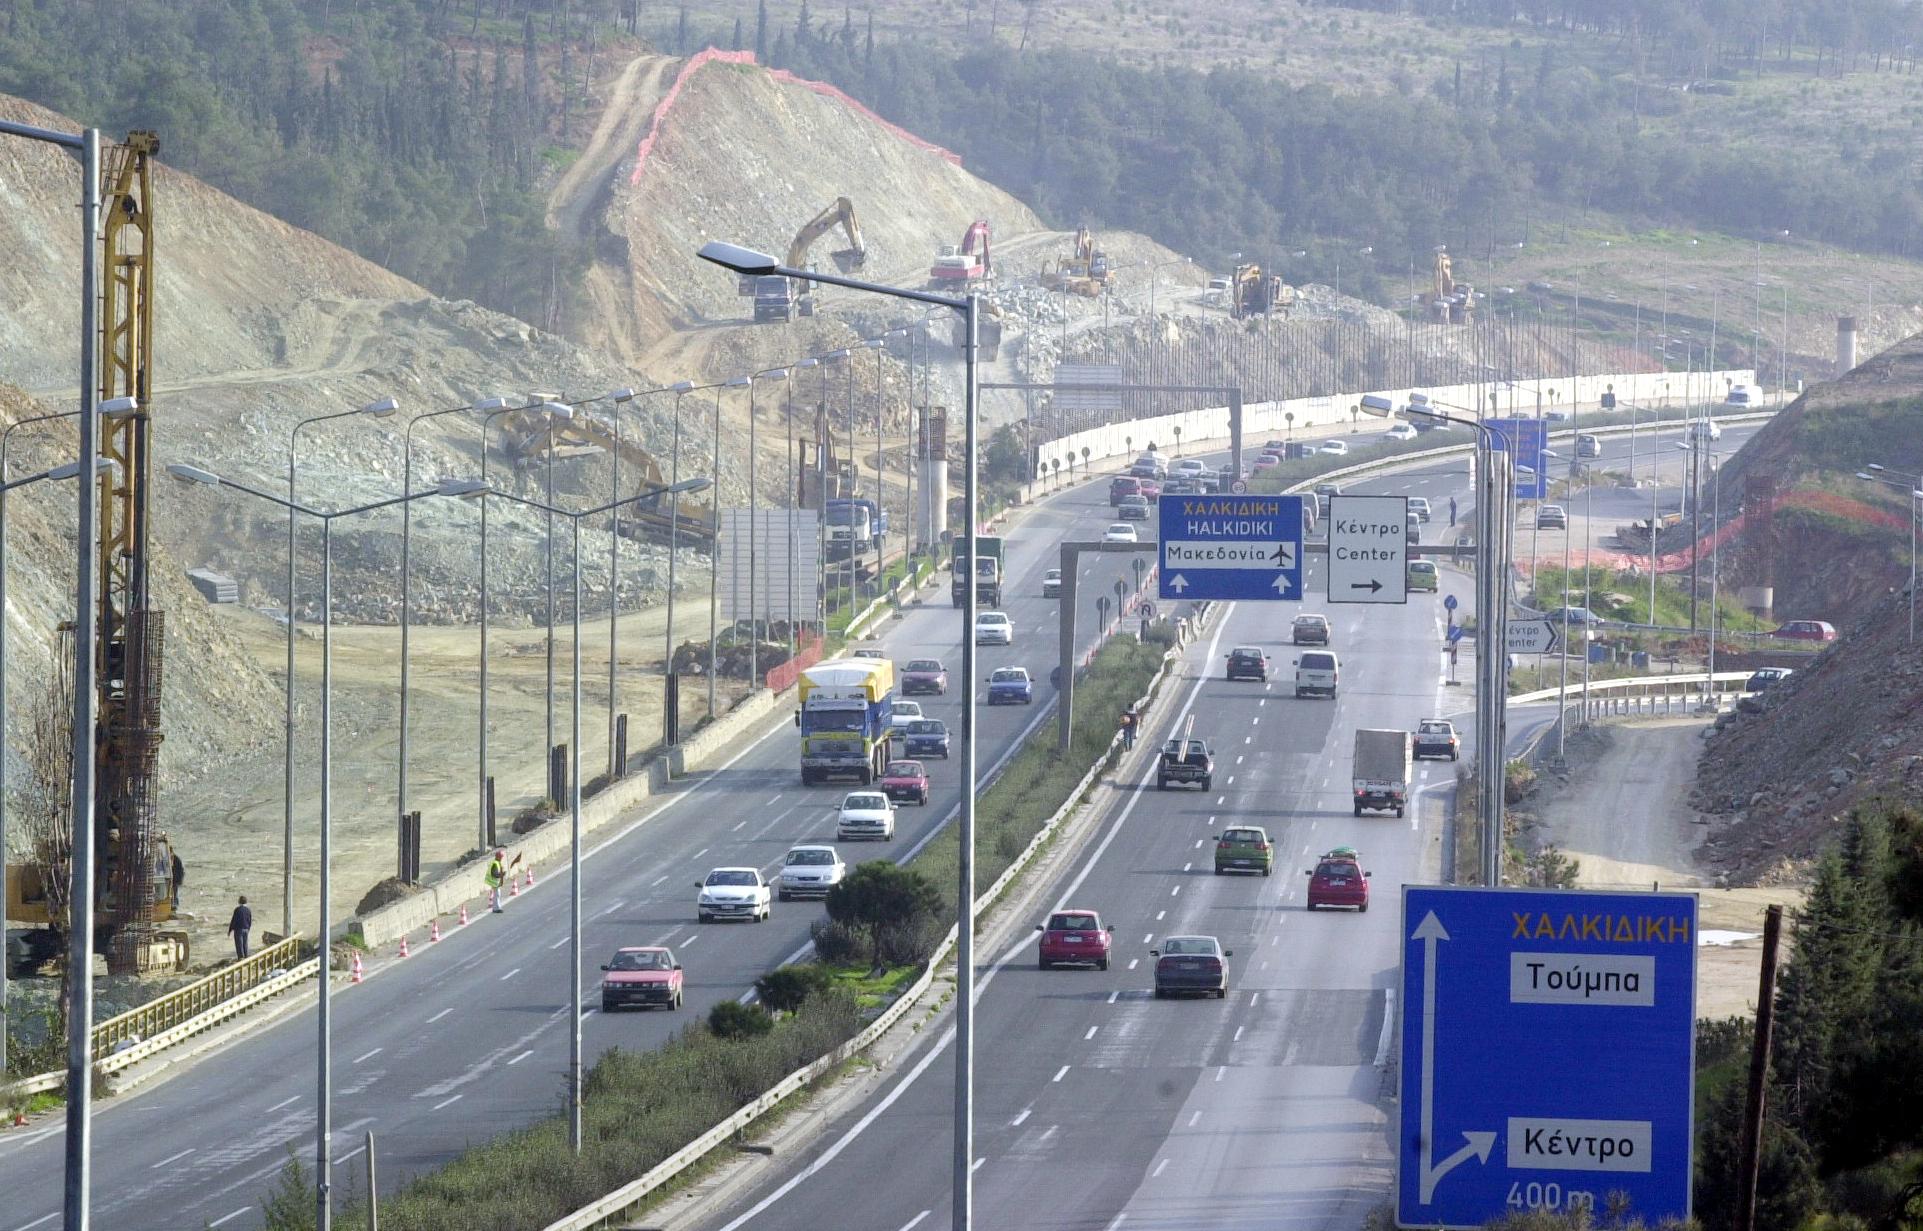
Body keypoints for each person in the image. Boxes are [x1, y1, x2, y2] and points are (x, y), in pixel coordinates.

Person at [485, 848, 507, 913]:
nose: (502, 858)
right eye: (501, 857)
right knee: (497, 895)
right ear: (498, 857)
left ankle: (496, 907)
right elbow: (494, 874)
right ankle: (496, 909)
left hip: (496, 882)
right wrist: (502, 874)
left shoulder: (497, 863)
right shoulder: (495, 864)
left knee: (497, 895)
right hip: (494, 882)